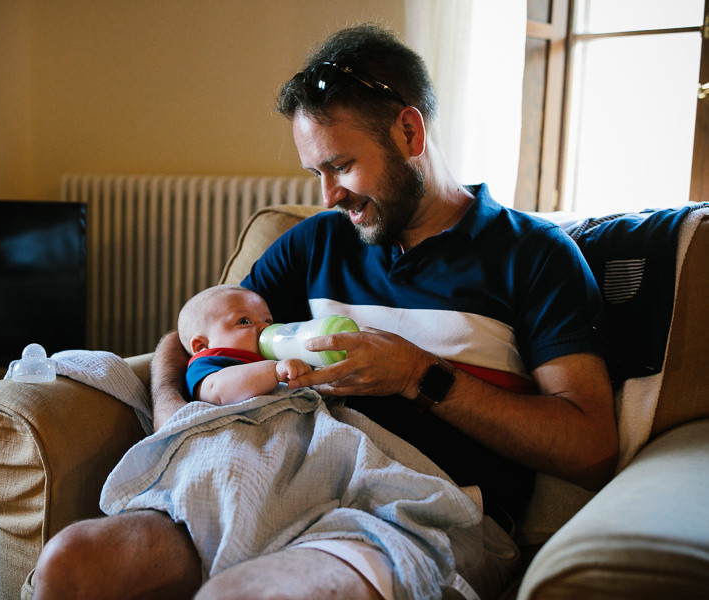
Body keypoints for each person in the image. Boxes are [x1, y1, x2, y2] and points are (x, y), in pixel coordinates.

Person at [32, 24, 619, 600]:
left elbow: (590, 447)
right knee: (72, 565)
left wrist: (421, 377)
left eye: (340, 166)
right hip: (272, 487)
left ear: (409, 132)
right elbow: (193, 338)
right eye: (316, 173)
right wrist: (173, 414)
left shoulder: (534, 255)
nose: (328, 196)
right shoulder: (314, 244)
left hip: (414, 519)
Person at [177, 284, 313, 406]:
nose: (265, 327)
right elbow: (217, 391)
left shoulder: (274, 358)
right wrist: (274, 371)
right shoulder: (207, 363)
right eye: (244, 321)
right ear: (201, 346)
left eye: (268, 321)